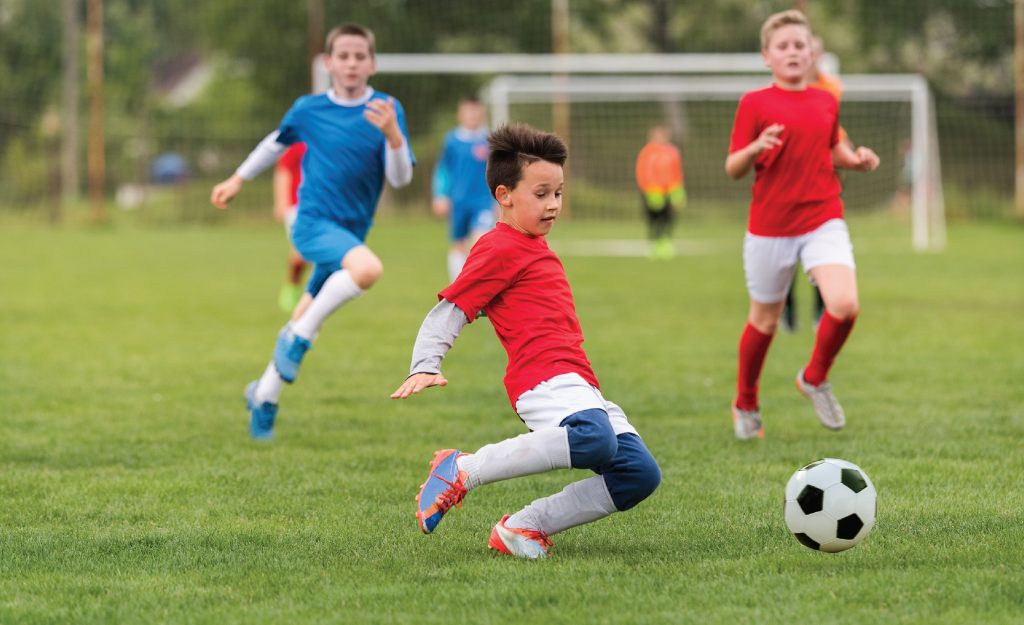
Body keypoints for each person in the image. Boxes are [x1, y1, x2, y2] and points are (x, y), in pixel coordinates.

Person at [391, 123, 661, 559]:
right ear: (504, 196)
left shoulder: (534, 245)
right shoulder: (498, 246)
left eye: (558, 193)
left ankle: (523, 526)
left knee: (638, 472)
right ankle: (463, 469)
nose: (553, 205)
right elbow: (451, 309)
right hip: (540, 377)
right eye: (541, 194)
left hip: (577, 381)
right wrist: (426, 363)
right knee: (594, 439)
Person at [210, 23, 415, 440]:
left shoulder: (387, 109)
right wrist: (237, 179)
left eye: (360, 56)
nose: (352, 63)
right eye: (344, 56)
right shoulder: (308, 109)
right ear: (328, 63)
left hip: (352, 231)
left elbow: (401, 179)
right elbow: (274, 143)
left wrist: (393, 135)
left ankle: (263, 397)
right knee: (367, 271)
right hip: (313, 224)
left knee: (306, 310)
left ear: (372, 64)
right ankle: (297, 340)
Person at [725, 10, 879, 440]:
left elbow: (836, 149)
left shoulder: (826, 100)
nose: (793, 52)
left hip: (822, 218)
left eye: (800, 45)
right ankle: (747, 402)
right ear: (766, 56)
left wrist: (857, 159)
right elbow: (733, 167)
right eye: (783, 46)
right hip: (770, 227)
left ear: (813, 53)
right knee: (764, 321)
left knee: (844, 303)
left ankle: (814, 377)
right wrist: (757, 146)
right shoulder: (753, 103)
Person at [780, 35, 848, 332]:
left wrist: (847, 156)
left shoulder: (831, 88)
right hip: (790, 178)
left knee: (823, 247)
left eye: (815, 50)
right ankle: (788, 311)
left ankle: (821, 310)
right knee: (787, 252)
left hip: (821, 176)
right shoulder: (783, 87)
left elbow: (833, 131)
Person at [431, 97, 497, 281]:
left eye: (476, 112)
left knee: (480, 242)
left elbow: (499, 171)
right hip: (458, 201)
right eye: (469, 112)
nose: (473, 116)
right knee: (459, 244)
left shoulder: (490, 140)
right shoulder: (452, 140)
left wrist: (498, 200)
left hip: (483, 201)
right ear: (460, 115)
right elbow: (443, 170)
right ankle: (457, 289)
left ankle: (478, 287)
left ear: (483, 114)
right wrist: (440, 195)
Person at [634, 125, 686, 260]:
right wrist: (647, 189)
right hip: (652, 192)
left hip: (669, 191)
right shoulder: (647, 152)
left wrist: (678, 191)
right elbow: (642, 171)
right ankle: (653, 242)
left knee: (668, 217)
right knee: (653, 218)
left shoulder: (673, 152)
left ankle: (666, 242)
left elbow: (677, 172)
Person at [273, 142, 309, 312]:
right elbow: (283, 169)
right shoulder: (300, 141)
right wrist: (281, 201)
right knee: (301, 253)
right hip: (297, 207)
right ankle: (292, 285)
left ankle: (316, 295)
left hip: (324, 206)